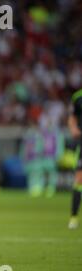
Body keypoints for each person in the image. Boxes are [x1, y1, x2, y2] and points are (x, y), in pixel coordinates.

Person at [67, 88, 82, 229]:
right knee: (79, 179)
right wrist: (73, 129)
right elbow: (72, 117)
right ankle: (73, 217)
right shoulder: (78, 97)